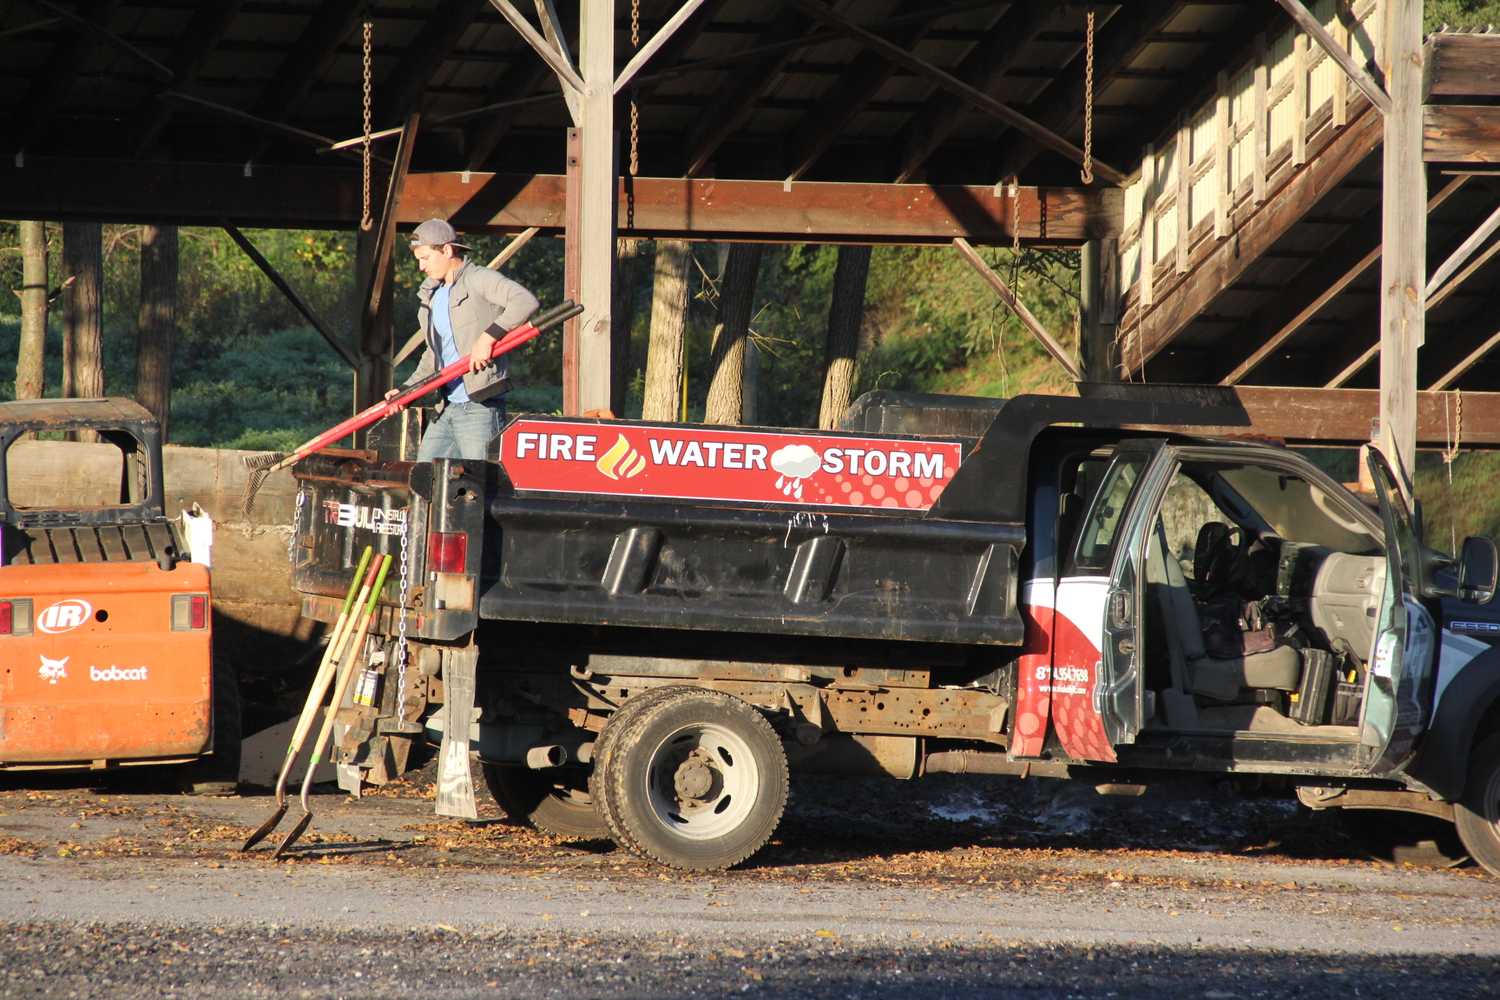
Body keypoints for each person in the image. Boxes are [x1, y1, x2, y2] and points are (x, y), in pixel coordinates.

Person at [388, 218, 539, 461]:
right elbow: (434, 355)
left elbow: (525, 301)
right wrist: (407, 390)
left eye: (425, 258)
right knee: (424, 481)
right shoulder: (432, 297)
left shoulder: (479, 279)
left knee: (475, 487)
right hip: (446, 407)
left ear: (446, 250)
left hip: (479, 407)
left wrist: (488, 338)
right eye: (419, 260)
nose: (421, 267)